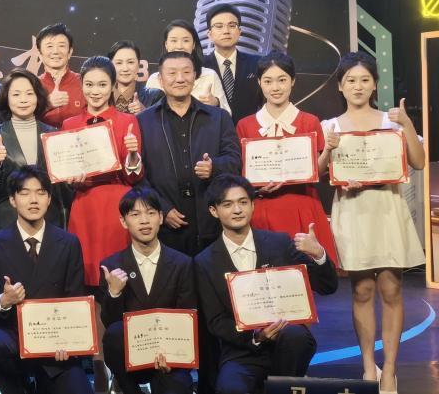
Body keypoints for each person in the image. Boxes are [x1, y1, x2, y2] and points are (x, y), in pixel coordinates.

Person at [320, 51, 425, 392]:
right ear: (340, 86)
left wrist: (407, 124)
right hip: (353, 211)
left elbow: (419, 162)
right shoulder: (330, 127)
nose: (358, 86)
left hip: (387, 209)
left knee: (391, 288)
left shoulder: (391, 122)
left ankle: (390, 368)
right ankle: (368, 366)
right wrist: (328, 151)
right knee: (362, 289)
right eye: (350, 80)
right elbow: (317, 172)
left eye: (365, 79)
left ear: (375, 84)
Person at [194, 176, 338, 394]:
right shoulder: (205, 262)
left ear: (253, 205)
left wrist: (319, 254)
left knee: (296, 336)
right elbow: (216, 322)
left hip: (287, 342)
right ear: (214, 211)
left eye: (243, 202)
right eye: (228, 204)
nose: (237, 210)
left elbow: (328, 286)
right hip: (242, 350)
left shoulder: (279, 243)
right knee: (230, 388)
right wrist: (256, 336)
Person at [0, 166, 93, 394]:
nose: (33, 200)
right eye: (25, 193)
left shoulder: (69, 243)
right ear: (12, 200)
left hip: (56, 342)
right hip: (12, 338)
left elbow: (76, 300)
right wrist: (4, 300)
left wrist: (69, 341)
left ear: (49, 199)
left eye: (40, 193)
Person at [235, 52, 338, 264]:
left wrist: (328, 150)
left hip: (301, 205)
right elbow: (240, 174)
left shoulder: (309, 121)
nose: (275, 87)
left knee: (306, 273)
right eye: (268, 81)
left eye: (282, 80)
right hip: (261, 208)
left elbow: (317, 171)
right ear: (259, 83)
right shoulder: (245, 125)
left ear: (292, 81)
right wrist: (257, 189)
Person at [138, 51, 241, 256]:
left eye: (186, 72)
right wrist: (161, 208)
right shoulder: (143, 121)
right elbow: (139, 175)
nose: (180, 78)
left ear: (195, 76)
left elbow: (235, 161)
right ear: (160, 79)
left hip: (212, 221)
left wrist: (214, 167)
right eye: (172, 73)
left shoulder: (219, 117)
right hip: (165, 226)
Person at [98, 186, 195, 394]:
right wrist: (114, 293)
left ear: (161, 217)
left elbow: (187, 316)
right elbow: (110, 325)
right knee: (115, 333)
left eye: (150, 213)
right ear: (124, 221)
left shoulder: (183, 263)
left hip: (171, 357)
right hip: (132, 359)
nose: (144, 221)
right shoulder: (112, 265)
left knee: (176, 388)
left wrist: (173, 356)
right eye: (135, 215)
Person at [63, 56, 142, 287]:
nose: (95, 91)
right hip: (83, 204)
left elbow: (134, 177)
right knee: (85, 274)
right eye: (89, 84)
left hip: (117, 204)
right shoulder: (69, 124)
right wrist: (71, 180)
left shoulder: (128, 121)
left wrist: (133, 154)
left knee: (118, 272)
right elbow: (64, 172)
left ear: (113, 85)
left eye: (102, 84)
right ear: (81, 85)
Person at [0, 68, 70, 231]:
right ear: (6, 98)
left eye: (29, 94)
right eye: (16, 94)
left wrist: (72, 180)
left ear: (38, 97)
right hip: (8, 221)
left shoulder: (53, 134)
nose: (23, 100)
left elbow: (62, 190)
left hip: (48, 221)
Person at [145, 19, 230, 114]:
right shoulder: (155, 79)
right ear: (166, 44)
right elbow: (147, 116)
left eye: (186, 40)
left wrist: (216, 103)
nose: (179, 46)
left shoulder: (209, 75)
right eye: (174, 40)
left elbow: (227, 115)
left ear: (193, 45)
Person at [201, 4, 261, 123]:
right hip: (209, 131)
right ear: (210, 34)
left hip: (247, 132)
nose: (226, 31)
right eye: (219, 26)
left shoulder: (257, 63)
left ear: (239, 32)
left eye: (232, 26)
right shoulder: (199, 66)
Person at [36, 23, 86, 128]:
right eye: (49, 46)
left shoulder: (84, 82)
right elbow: (21, 120)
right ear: (40, 54)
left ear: (70, 52)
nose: (55, 51)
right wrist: (46, 104)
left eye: (61, 46)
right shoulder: (32, 84)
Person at [107, 40, 163, 114]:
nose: (125, 68)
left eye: (130, 62)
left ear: (139, 65)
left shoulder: (155, 96)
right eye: (119, 63)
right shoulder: (101, 96)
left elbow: (163, 121)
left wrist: (145, 113)